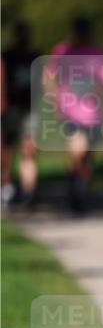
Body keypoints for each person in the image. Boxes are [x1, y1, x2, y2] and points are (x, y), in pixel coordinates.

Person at [42, 17, 103, 213]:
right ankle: (75, 193)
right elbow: (48, 75)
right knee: (78, 151)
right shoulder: (63, 50)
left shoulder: (96, 53)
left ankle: (79, 189)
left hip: (93, 113)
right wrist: (54, 96)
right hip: (70, 113)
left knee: (86, 156)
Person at [1, 21, 39, 206]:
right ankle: (6, 188)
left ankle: (28, 193)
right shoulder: (7, 57)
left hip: (29, 109)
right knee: (6, 152)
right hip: (9, 110)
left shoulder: (34, 56)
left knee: (29, 150)